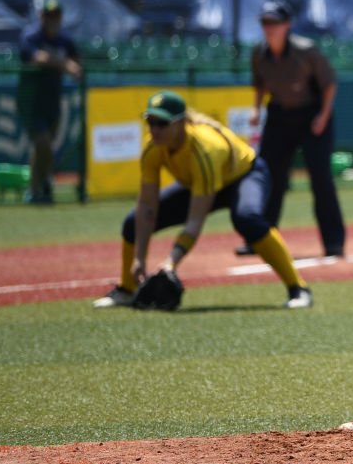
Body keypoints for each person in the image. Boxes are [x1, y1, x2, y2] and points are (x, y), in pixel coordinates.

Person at [93, 90, 314, 309]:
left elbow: (195, 222)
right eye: (150, 121)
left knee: (247, 218)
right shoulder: (153, 148)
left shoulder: (203, 150)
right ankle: (127, 289)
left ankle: (298, 288)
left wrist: (171, 262)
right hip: (198, 182)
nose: (155, 129)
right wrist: (139, 258)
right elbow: (147, 207)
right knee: (133, 222)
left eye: (162, 123)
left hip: (244, 176)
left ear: (180, 123)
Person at [234, 0, 346, 258]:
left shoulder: (306, 51)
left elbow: (329, 84)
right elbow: (259, 84)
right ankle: (259, 239)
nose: (269, 28)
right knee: (267, 177)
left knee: (320, 179)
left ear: (288, 25)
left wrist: (323, 116)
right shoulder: (259, 53)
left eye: (274, 23)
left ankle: (333, 243)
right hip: (280, 116)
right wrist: (255, 109)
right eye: (265, 23)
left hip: (312, 116)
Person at [17, 0, 82, 204]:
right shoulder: (31, 36)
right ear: (41, 16)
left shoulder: (64, 40)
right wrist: (64, 64)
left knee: (43, 147)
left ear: (61, 18)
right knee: (43, 143)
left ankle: (36, 191)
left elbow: (77, 62)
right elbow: (37, 57)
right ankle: (44, 184)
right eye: (48, 15)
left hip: (53, 100)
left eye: (56, 15)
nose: (52, 19)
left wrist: (70, 65)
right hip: (31, 100)